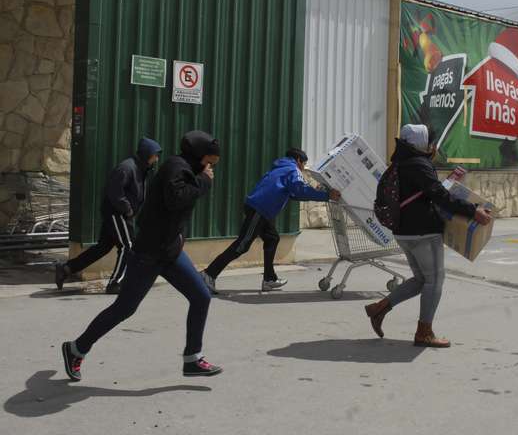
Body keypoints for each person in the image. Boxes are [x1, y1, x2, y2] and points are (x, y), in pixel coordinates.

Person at [61, 131, 223, 381]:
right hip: (149, 252)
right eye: (211, 159)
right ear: (200, 155)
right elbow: (175, 200)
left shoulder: (189, 170)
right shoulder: (175, 167)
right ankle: (76, 348)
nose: (213, 165)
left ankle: (192, 359)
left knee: (201, 297)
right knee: (124, 308)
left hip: (170, 251)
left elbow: (176, 212)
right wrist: (203, 182)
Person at [364, 124, 491, 348]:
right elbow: (440, 195)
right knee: (434, 281)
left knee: (422, 280)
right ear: (419, 144)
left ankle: (379, 308)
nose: (432, 146)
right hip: (422, 232)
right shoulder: (419, 164)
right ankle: (424, 332)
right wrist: (474, 211)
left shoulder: (398, 164)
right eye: (429, 142)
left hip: (403, 233)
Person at [200, 148, 340, 294]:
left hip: (262, 210)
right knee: (242, 245)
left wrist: (320, 193)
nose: (303, 168)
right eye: (303, 164)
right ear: (298, 160)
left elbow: (293, 193)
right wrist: (327, 195)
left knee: (272, 238)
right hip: (259, 209)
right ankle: (208, 274)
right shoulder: (292, 169)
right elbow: (300, 190)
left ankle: (269, 279)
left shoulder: (282, 167)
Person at [55, 137, 162, 294]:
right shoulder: (127, 168)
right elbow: (114, 191)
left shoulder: (141, 169)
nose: (156, 159)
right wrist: (127, 209)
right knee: (128, 246)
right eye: (155, 155)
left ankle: (66, 269)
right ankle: (115, 283)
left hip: (120, 213)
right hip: (117, 213)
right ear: (147, 154)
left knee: (103, 247)